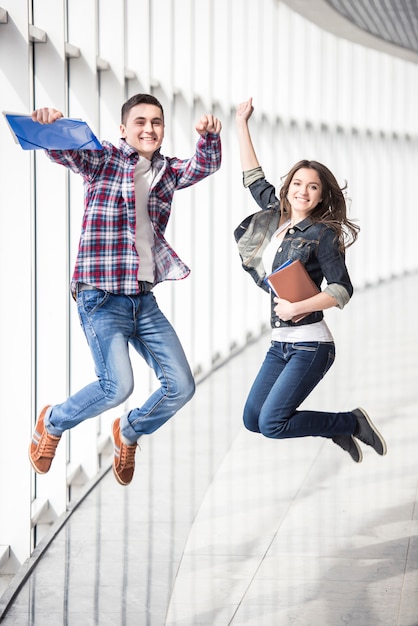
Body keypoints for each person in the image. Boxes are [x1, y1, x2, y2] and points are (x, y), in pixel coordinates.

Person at [29, 94, 222, 485]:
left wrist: (208, 137)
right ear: (123, 129)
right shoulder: (104, 158)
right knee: (118, 385)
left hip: (142, 300)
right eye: (140, 122)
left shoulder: (167, 171)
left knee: (181, 387)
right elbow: (70, 153)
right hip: (99, 295)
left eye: (156, 123)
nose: (149, 129)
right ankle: (52, 422)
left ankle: (129, 432)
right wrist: (51, 128)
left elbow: (205, 164)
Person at [234, 97, 386, 463]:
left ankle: (348, 422)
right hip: (279, 343)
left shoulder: (322, 234)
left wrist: (298, 306)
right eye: (297, 183)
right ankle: (336, 427)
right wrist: (241, 124)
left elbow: (341, 289)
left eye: (313, 187)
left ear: (321, 196)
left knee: (272, 423)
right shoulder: (276, 215)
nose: (303, 190)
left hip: (311, 345)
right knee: (253, 420)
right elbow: (253, 177)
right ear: (287, 187)